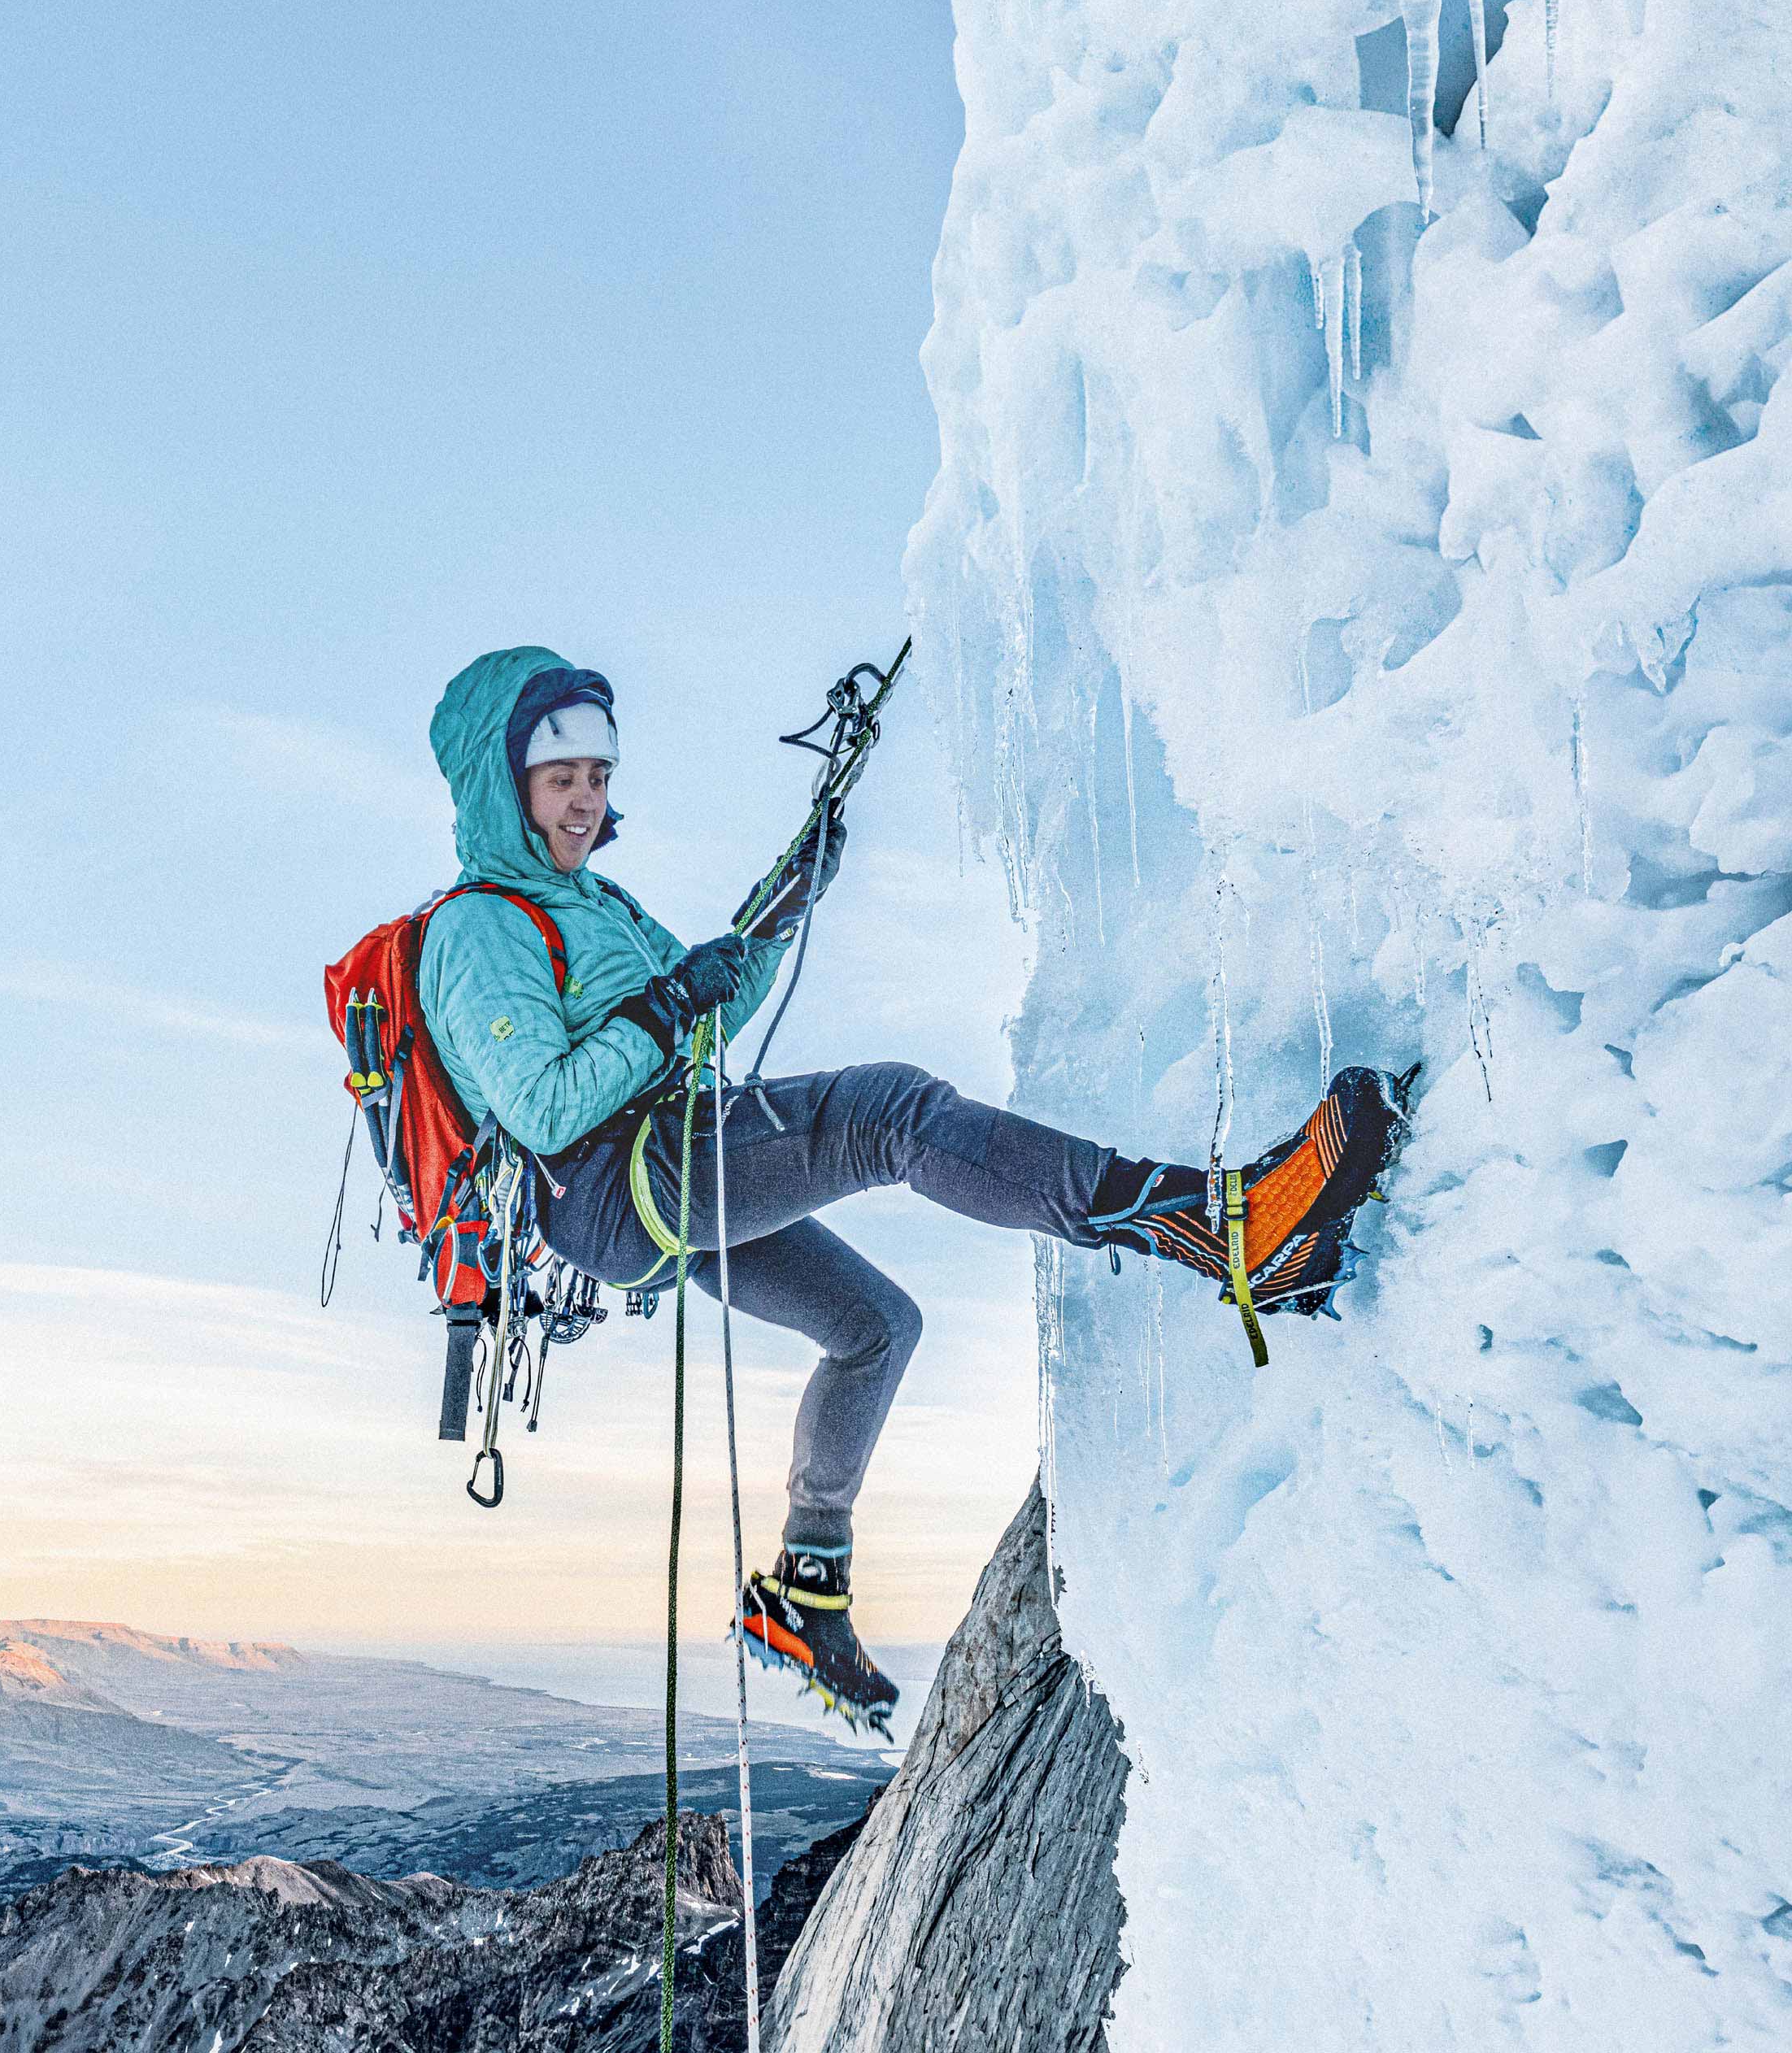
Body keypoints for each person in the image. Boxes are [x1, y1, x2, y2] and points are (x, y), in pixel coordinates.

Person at [419, 644, 1404, 1732]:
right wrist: (660, 1012)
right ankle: (1224, 1233)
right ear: (501, 787)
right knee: (888, 1112)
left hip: (659, 1173)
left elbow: (709, 1007)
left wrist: (781, 906)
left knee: (876, 1325)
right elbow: (548, 1104)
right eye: (561, 780)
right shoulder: (477, 929)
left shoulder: (596, 906)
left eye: (597, 777)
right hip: (621, 1178)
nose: (585, 801)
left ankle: (807, 1582)